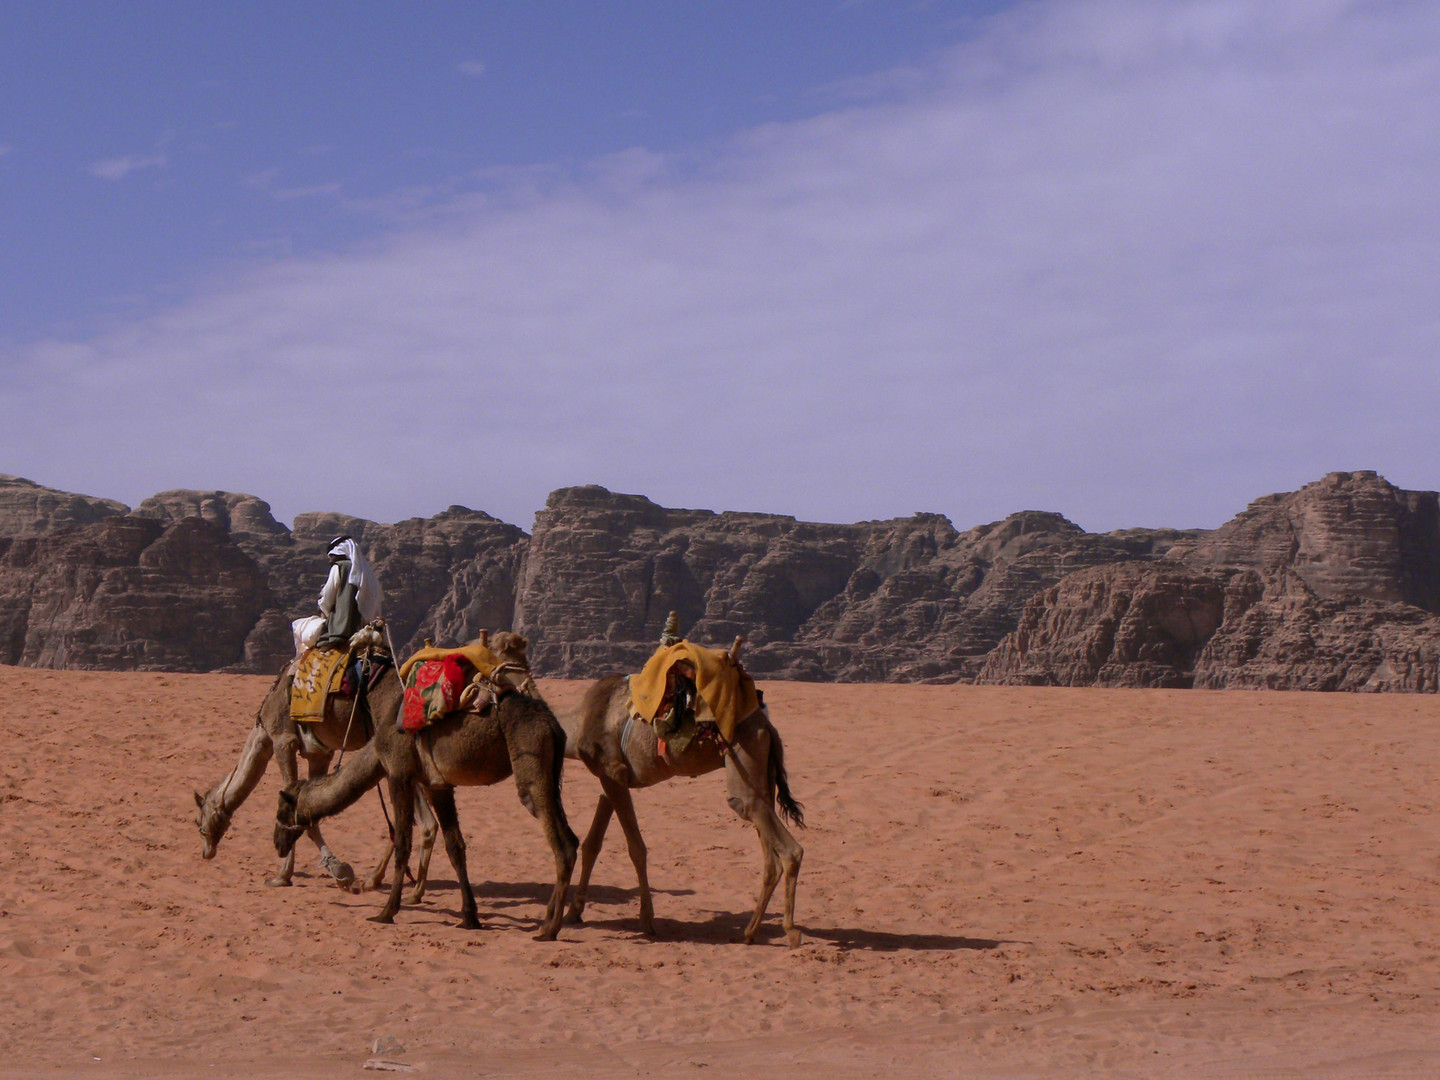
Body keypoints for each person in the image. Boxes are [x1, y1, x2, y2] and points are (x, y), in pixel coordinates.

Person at [291, 535, 384, 654]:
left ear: (339, 552)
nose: (330, 560)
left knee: (299, 626)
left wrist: (322, 608)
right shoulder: (368, 574)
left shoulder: (340, 567)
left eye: (331, 556)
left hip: (341, 629)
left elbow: (327, 600)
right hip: (367, 629)